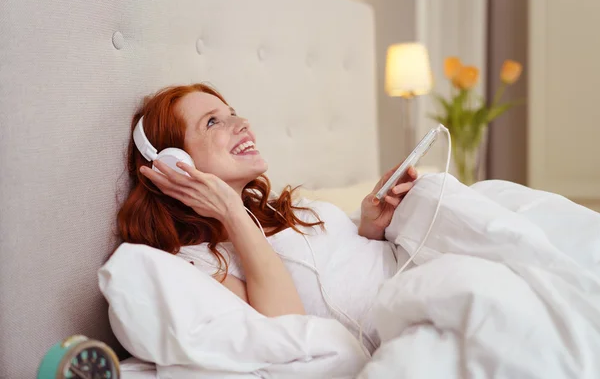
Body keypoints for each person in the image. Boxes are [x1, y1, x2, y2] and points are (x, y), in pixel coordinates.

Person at [117, 83, 417, 352]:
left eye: (232, 113)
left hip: (417, 279)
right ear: (174, 163)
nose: (242, 123)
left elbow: (342, 273)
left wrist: (370, 227)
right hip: (412, 324)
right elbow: (289, 334)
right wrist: (231, 212)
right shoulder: (196, 265)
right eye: (212, 122)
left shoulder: (278, 207)